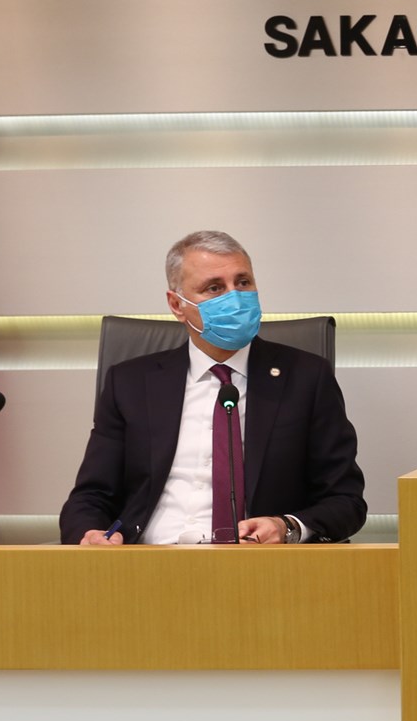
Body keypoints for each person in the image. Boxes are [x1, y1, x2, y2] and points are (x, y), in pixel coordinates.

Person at [60, 231, 366, 545]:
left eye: (243, 282)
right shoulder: (130, 383)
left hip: (257, 562)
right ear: (177, 305)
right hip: (147, 559)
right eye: (215, 287)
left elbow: (345, 501)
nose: (235, 297)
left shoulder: (306, 377)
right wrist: (90, 535)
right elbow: (91, 497)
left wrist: (286, 527)